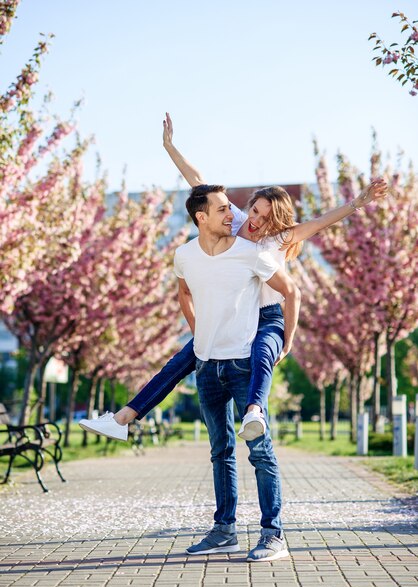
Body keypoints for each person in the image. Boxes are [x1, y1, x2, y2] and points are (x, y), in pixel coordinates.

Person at [79, 114, 388, 442]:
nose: (254, 221)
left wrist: (359, 202)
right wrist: (170, 147)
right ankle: (123, 418)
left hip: (266, 316)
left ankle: (254, 414)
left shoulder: (282, 238)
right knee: (180, 361)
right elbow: (197, 180)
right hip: (236, 312)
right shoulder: (237, 221)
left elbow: (322, 222)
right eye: (254, 211)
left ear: (277, 221)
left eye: (264, 218)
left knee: (259, 358)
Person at [176, 183, 300, 560]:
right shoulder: (188, 254)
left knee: (259, 450)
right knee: (220, 451)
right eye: (223, 209)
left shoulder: (251, 250)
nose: (233, 215)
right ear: (202, 217)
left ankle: (272, 534)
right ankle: (224, 530)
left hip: (245, 357)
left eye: (232, 209)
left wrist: (288, 341)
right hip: (208, 364)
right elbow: (184, 294)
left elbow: (290, 290)